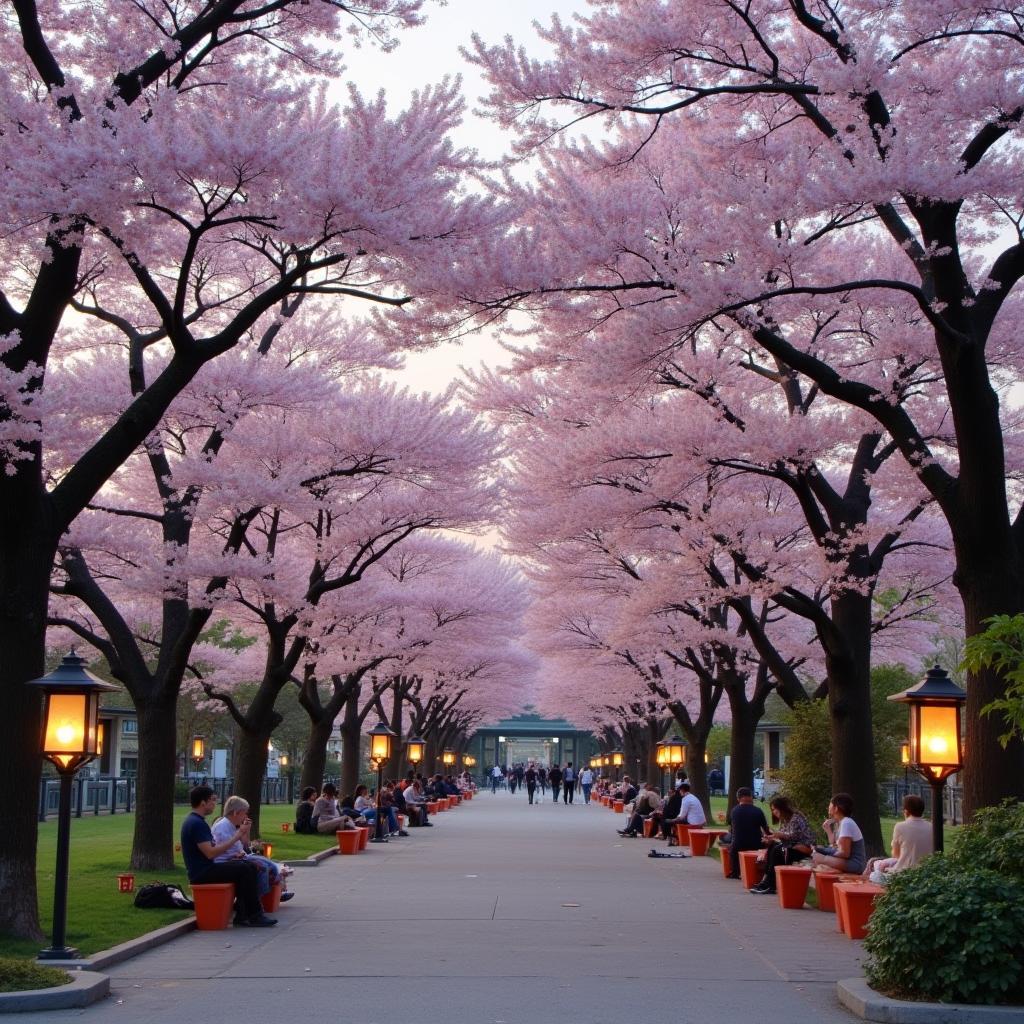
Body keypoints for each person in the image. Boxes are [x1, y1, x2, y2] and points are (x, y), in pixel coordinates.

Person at [179, 784, 275, 927]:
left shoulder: (196, 822)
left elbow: (211, 849)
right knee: (245, 869)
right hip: (202, 872)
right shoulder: (196, 824)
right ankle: (254, 915)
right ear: (203, 802)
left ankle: (244, 915)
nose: (215, 803)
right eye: (212, 800)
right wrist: (236, 836)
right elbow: (210, 853)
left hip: (205, 868)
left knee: (247, 866)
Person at [211, 795, 295, 902]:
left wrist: (246, 831)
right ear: (236, 812)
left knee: (272, 865)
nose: (246, 816)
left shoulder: (231, 825)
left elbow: (245, 844)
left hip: (237, 858)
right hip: (227, 862)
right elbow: (221, 850)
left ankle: (266, 896)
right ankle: (257, 901)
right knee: (263, 867)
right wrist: (238, 844)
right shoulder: (222, 827)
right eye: (244, 813)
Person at [749, 794, 814, 895]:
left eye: (775, 809)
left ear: (782, 808)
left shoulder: (796, 818)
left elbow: (793, 836)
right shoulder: (784, 820)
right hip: (792, 847)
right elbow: (784, 836)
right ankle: (766, 881)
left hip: (801, 849)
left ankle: (770, 884)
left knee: (777, 850)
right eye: (772, 810)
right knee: (772, 846)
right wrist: (771, 838)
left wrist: (778, 835)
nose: (774, 812)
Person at [863, 794, 933, 884]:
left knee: (875, 870)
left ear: (906, 811)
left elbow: (896, 854)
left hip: (903, 873)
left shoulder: (900, 826)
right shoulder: (931, 827)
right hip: (925, 873)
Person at [810, 792, 867, 874]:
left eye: (830, 805)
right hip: (848, 861)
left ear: (836, 808)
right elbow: (833, 844)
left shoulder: (846, 823)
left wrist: (825, 857)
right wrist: (828, 830)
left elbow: (844, 853)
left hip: (855, 864)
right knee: (818, 853)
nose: (828, 808)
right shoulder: (840, 823)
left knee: (818, 857)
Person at [720, 787, 769, 877]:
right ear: (751, 797)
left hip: (738, 844)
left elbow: (731, 830)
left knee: (724, 837)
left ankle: (735, 871)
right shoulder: (758, 811)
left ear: (738, 798)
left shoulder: (734, 811)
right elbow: (766, 829)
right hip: (756, 843)